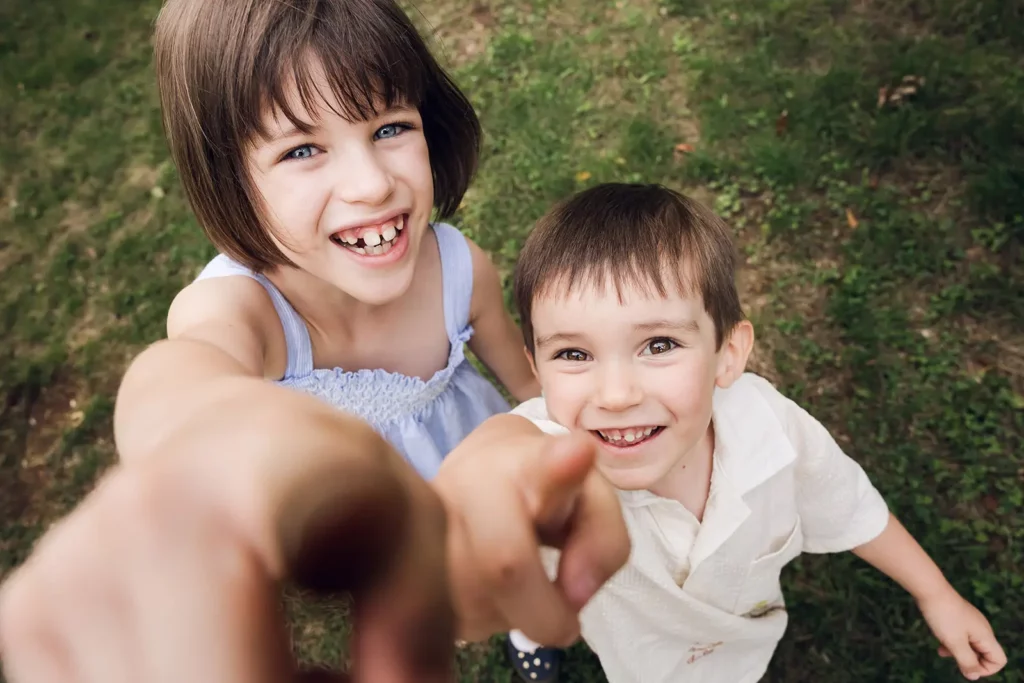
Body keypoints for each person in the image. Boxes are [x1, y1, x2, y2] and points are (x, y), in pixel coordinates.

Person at [0, 1, 629, 681]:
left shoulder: (459, 269)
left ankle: (522, 627)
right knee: (419, 588)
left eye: (390, 127)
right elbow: (177, 379)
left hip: (483, 461)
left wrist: (559, 442)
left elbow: (528, 383)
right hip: (356, 521)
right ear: (230, 176)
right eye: (302, 149)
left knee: (503, 554)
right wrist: (196, 462)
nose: (372, 184)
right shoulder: (244, 309)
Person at [503, 183, 1007, 683]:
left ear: (728, 353)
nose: (615, 395)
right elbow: (493, 466)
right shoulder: (543, 467)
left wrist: (935, 592)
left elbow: (848, 504)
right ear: (536, 368)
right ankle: (528, 632)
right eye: (573, 354)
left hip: (736, 646)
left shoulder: (772, 430)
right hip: (634, 655)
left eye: (658, 344)